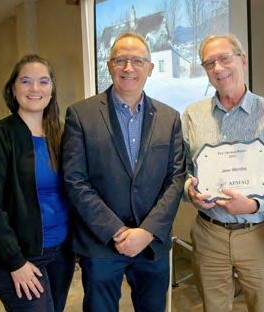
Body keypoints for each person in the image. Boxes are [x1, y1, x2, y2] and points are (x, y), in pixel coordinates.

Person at [62, 32, 185, 312]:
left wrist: (147, 231)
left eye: (138, 61)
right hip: (101, 244)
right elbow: (75, 180)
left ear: (150, 68)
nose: (129, 68)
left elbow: (176, 179)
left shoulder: (169, 117)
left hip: (152, 244)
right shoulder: (81, 115)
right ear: (109, 66)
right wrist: (116, 231)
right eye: (121, 60)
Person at [181, 34, 264, 312]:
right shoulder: (192, 115)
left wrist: (255, 204)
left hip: (257, 234)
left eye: (225, 58)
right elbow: (181, 169)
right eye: (209, 63)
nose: (218, 68)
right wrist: (189, 188)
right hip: (208, 233)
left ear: (243, 60)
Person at [0, 54, 75, 311]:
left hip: (60, 253)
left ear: (52, 90)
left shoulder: (62, 134)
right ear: (13, 88)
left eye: (43, 81)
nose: (35, 88)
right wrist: (15, 262)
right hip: (21, 256)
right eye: (26, 81)